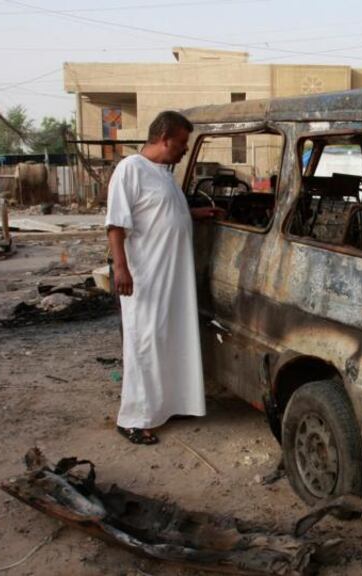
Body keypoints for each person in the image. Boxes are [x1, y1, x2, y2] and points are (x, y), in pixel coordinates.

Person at [105, 111, 222, 444]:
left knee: (171, 339)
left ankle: (168, 405)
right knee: (145, 341)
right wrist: (120, 267)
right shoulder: (131, 169)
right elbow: (116, 223)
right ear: (165, 137)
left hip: (172, 275)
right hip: (146, 275)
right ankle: (134, 418)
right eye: (183, 142)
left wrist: (197, 213)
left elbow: (163, 211)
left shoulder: (165, 174)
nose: (185, 149)